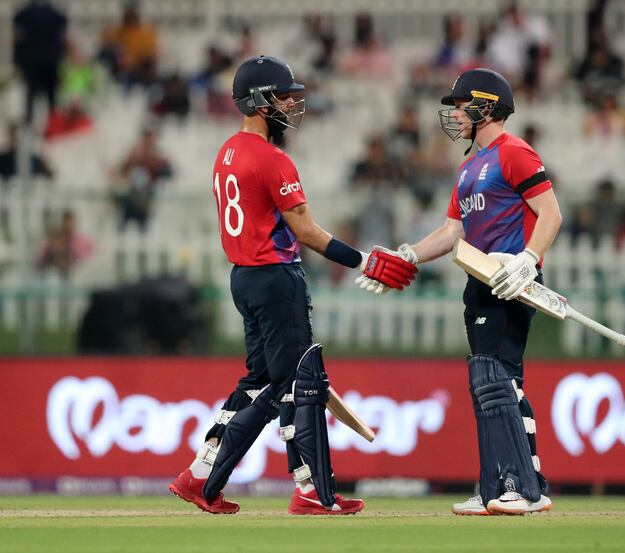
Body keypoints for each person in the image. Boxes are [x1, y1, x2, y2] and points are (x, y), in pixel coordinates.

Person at [168, 56, 417, 515]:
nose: (290, 104)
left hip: (243, 277)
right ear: (260, 100)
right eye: (282, 96)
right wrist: (364, 260)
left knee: (260, 379)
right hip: (276, 277)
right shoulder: (272, 159)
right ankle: (308, 490)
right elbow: (306, 231)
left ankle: (200, 471)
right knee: (296, 385)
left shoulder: (227, 151)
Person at [358, 68, 560, 515]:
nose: (455, 113)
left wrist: (528, 260)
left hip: (511, 280)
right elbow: (453, 232)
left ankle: (521, 487)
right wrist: (407, 254)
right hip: (480, 281)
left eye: (461, 105)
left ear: (486, 105)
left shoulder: (515, 152)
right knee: (492, 381)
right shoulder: (469, 166)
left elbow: (550, 213)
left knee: (498, 380)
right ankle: (499, 485)